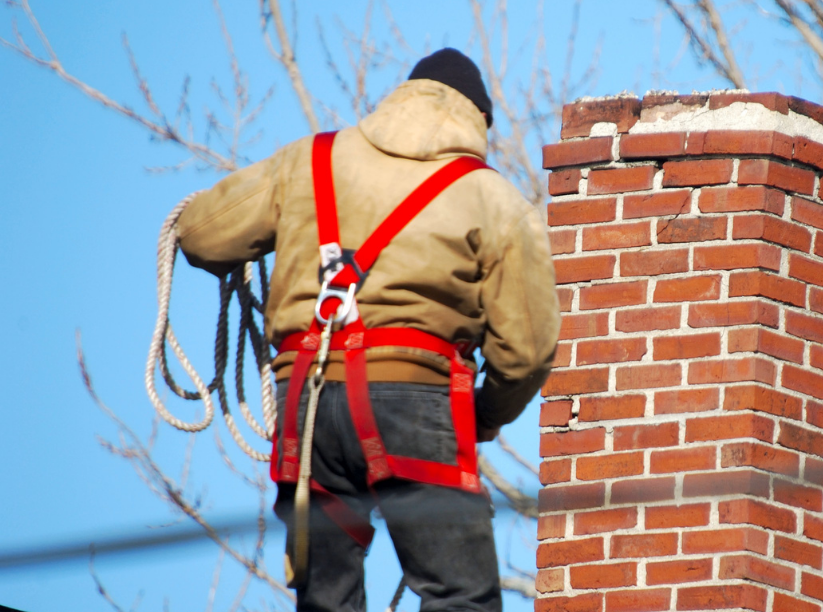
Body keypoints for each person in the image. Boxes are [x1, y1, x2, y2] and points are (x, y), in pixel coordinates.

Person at [174, 48, 561, 612]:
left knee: (326, 598)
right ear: (479, 121)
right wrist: (487, 414)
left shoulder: (307, 160)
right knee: (460, 595)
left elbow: (201, 236)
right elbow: (525, 353)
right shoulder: (493, 198)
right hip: (414, 400)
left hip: (305, 406)